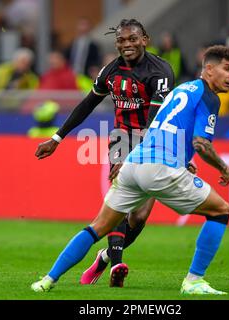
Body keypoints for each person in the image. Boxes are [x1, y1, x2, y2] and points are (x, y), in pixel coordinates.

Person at [31, 45, 229, 295]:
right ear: (208, 69)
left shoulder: (181, 89)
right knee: (220, 211)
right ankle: (194, 280)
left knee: (98, 227)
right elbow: (201, 143)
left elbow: (161, 126)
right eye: (227, 68)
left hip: (134, 162)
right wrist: (224, 168)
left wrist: (181, 159)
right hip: (160, 168)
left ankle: (47, 280)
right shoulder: (209, 97)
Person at [32, 19, 175, 288]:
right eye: (121, 40)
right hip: (122, 138)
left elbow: (154, 120)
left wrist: (137, 158)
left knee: (140, 217)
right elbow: (87, 104)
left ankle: (105, 256)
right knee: (119, 203)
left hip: (155, 140)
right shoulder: (111, 71)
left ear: (145, 39)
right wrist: (57, 138)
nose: (127, 44)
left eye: (133, 39)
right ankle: (118, 263)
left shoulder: (160, 71)